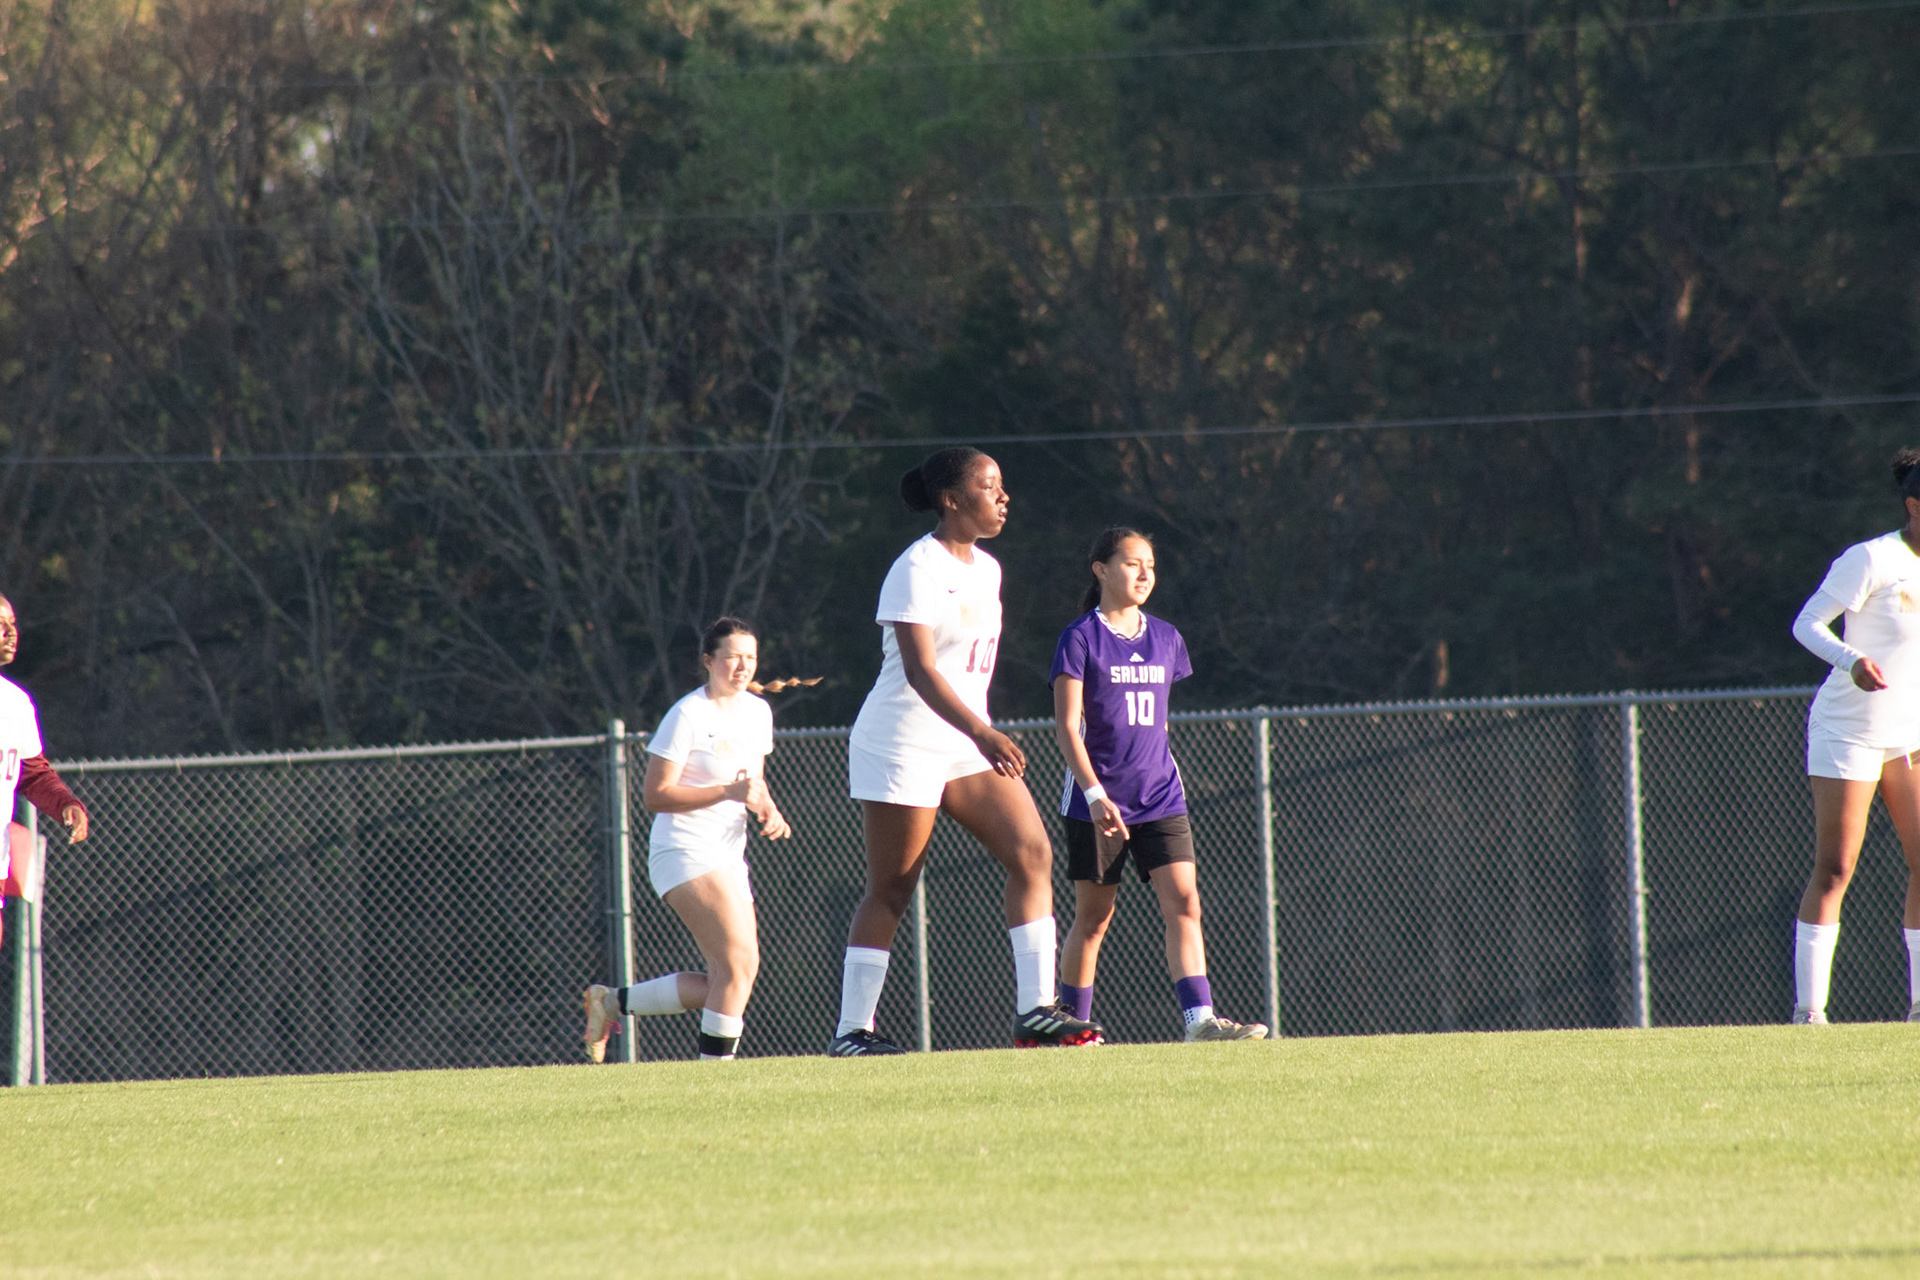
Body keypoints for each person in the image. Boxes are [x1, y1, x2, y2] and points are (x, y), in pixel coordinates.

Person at [828, 447, 1101, 1055]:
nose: (1003, 497)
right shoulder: (915, 568)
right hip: (901, 740)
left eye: (1002, 485)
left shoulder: (989, 568)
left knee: (1031, 851)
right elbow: (921, 672)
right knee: (892, 888)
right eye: (989, 486)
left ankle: (1036, 1011)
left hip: (963, 740)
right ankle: (851, 1032)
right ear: (951, 500)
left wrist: (976, 733)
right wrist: (982, 731)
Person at [1051, 529, 1267, 1043]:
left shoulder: (1167, 637)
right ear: (1101, 570)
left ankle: (1200, 1022)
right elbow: (1067, 728)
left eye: (1150, 564)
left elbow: (1158, 723)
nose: (1145, 573)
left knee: (1185, 903)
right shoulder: (1080, 637)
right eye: (1132, 563)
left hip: (1161, 797)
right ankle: (1071, 1030)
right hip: (1097, 802)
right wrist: (1095, 794)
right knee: (1095, 919)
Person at [583, 617, 792, 1062]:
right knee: (738, 965)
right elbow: (655, 796)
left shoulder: (758, 712)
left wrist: (768, 808)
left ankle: (610, 1002)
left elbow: (753, 782)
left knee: (730, 975)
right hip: (683, 850)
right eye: (732, 657)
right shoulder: (687, 714)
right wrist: (728, 792)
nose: (743, 666)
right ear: (708, 661)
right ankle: (715, 1077)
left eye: (751, 657)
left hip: (729, 855)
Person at [1788, 449, 1920, 1025]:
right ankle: (1809, 1012)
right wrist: (1852, 660)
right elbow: (1807, 624)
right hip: (1849, 730)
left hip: (1909, 733)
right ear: (1914, 505)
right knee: (1836, 867)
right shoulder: (1871, 558)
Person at [0, 595, 91, 932]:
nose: (11, 633)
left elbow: (33, 773)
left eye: (13, 624)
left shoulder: (14, 703)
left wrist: (66, 803)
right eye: (0, 625)